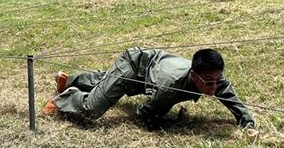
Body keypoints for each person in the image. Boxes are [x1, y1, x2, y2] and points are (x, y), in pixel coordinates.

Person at [43, 48, 258, 135]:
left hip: (151, 71)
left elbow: (233, 101)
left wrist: (247, 123)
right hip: (134, 65)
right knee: (93, 108)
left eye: (217, 81)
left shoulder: (213, 78)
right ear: (194, 75)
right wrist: (165, 122)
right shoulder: (169, 87)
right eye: (208, 83)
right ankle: (67, 96)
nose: (214, 87)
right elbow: (145, 113)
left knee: (105, 81)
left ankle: (68, 79)